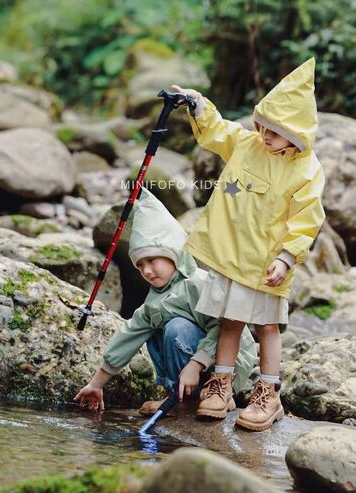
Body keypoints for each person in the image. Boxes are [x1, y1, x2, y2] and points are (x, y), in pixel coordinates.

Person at [172, 57, 325, 431]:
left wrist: (287, 258)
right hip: (231, 255)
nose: (265, 135)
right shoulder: (248, 144)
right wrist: (198, 104)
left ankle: (268, 393)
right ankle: (220, 385)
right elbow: (217, 131)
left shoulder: (306, 171)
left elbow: (307, 219)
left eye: (274, 131)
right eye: (262, 126)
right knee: (230, 321)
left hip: (266, 262)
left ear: (297, 133)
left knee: (267, 327)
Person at [74, 188, 257, 415]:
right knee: (151, 327)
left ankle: (216, 394)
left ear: (172, 253)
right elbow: (128, 337)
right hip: (194, 366)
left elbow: (223, 329)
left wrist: (195, 364)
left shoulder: (198, 284)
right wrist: (96, 384)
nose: (147, 271)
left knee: (176, 326)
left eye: (152, 260)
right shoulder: (154, 301)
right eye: (140, 265)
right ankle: (178, 394)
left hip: (227, 367)